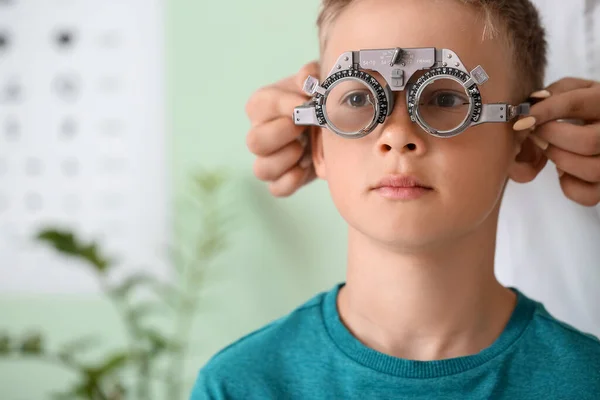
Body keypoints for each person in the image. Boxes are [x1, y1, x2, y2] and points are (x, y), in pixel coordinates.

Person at [190, 0, 600, 398]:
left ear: (525, 145)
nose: (397, 134)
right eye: (358, 99)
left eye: (445, 99)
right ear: (318, 143)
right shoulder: (241, 386)